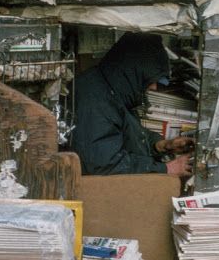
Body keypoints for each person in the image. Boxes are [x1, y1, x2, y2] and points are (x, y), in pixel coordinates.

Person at [73, 31, 194, 176]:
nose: (154, 87)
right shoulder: (95, 99)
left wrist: (162, 145)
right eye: (150, 80)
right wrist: (166, 169)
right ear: (133, 70)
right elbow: (103, 164)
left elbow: (129, 134)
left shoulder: (115, 89)